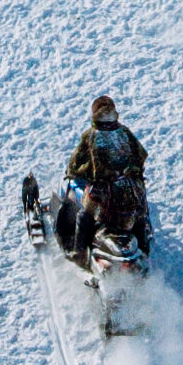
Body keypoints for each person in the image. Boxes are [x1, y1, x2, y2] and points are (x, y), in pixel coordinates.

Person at [59, 94, 149, 265]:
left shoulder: (91, 136)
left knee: (84, 217)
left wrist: (80, 172)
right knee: (139, 216)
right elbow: (141, 154)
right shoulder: (124, 133)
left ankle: (79, 254)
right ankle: (144, 249)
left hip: (104, 193)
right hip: (130, 190)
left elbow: (75, 165)